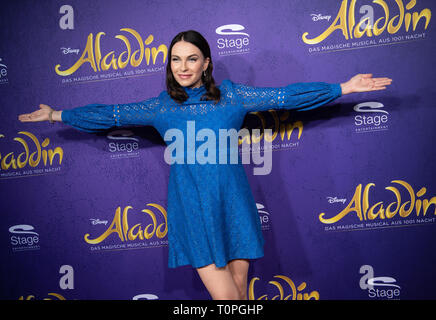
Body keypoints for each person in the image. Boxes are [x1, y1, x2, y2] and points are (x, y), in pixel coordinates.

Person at [18, 30, 392, 300]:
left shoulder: (232, 96)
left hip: (234, 203)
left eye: (191, 58)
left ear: (206, 62)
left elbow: (284, 96)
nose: (183, 67)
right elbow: (110, 114)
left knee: (242, 294)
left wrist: (343, 87)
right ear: (169, 65)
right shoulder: (161, 105)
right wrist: (57, 113)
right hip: (192, 207)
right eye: (176, 59)